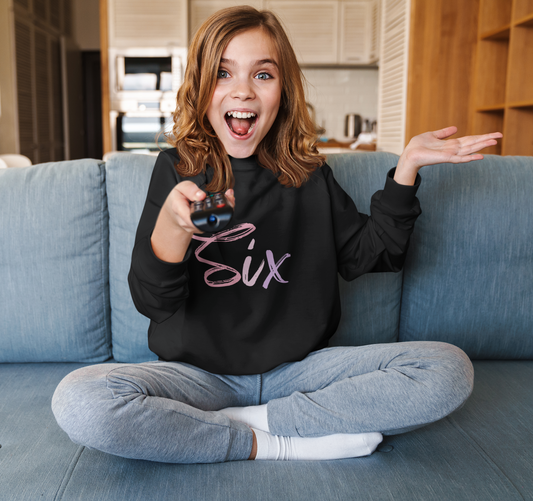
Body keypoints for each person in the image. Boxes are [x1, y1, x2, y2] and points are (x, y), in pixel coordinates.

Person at [52, 6, 502, 464]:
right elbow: (154, 303)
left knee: (447, 369)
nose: (243, 90)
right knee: (80, 400)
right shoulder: (179, 170)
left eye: (263, 74)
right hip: (199, 379)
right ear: (201, 87)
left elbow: (372, 255)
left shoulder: (308, 176)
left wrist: (406, 169)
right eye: (223, 73)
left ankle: (245, 421)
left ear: (283, 92)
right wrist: (173, 227)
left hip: (300, 374)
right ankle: (275, 442)